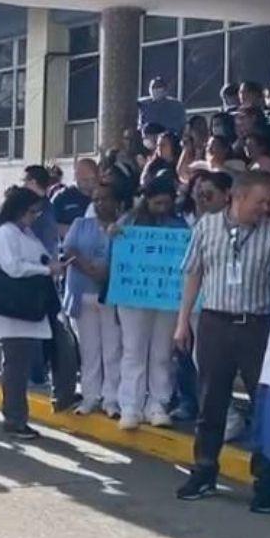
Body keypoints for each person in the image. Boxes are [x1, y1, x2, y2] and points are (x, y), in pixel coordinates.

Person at [174, 171, 270, 511]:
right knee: (211, 400)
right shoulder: (206, 227)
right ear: (238, 198)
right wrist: (183, 321)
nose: (267, 208)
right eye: (261, 201)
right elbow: (193, 272)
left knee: (264, 403)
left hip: (259, 326)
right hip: (215, 321)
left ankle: (267, 482)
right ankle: (205, 470)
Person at [0, 186, 69, 440]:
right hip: (14, 307)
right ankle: (14, 419)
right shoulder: (4, 234)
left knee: (27, 364)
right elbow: (13, 267)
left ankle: (22, 414)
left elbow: (42, 258)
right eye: (32, 211)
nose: (35, 216)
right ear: (20, 210)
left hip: (32, 307)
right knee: (15, 367)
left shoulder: (27, 234)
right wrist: (45, 270)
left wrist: (53, 265)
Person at [113, 178, 188, 431]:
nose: (163, 208)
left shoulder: (179, 225)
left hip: (166, 297)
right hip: (133, 296)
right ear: (147, 200)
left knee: (162, 353)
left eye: (167, 203)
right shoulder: (128, 222)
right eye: (158, 203)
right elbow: (113, 254)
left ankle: (157, 404)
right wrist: (113, 236)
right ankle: (130, 406)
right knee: (133, 349)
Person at [62, 183, 124, 417]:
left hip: (110, 297)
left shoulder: (123, 228)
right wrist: (87, 268)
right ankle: (90, 396)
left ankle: (112, 399)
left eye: (105, 199)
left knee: (112, 349)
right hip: (83, 295)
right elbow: (68, 249)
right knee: (89, 351)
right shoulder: (81, 224)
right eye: (96, 199)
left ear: (116, 202)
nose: (100, 204)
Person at [50, 159, 98, 239]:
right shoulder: (63, 198)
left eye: (92, 179)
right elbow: (53, 226)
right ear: (76, 177)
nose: (89, 183)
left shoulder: (104, 197)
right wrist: (77, 232)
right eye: (85, 179)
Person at [21, 165, 59, 258]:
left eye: (25, 182)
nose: (23, 185)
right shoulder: (46, 208)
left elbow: (48, 244)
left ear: (33, 182)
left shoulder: (46, 211)